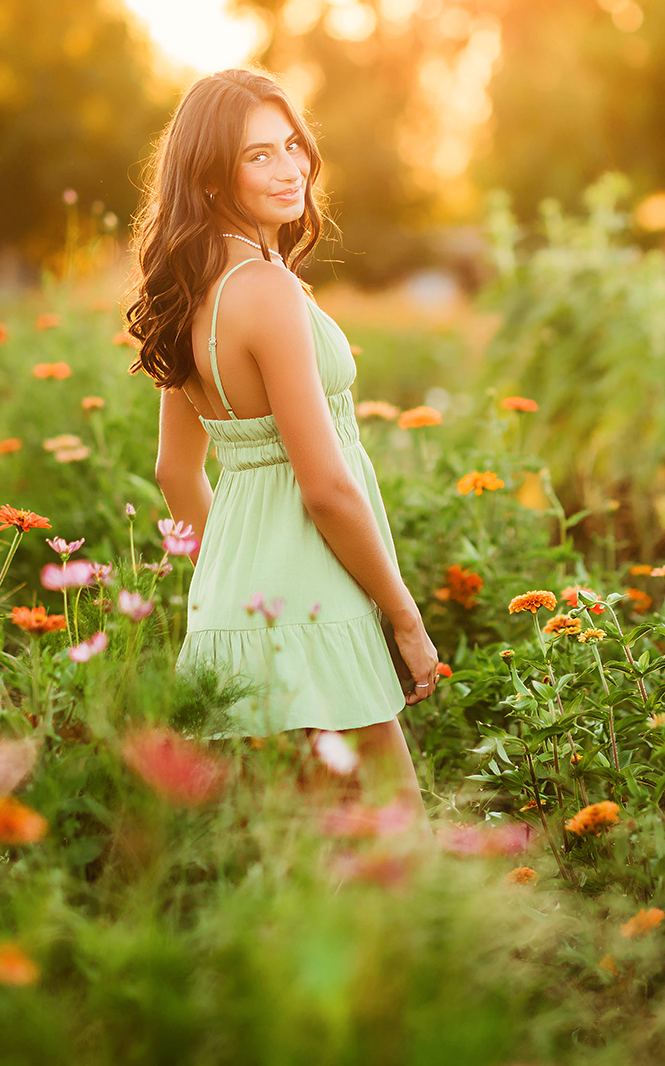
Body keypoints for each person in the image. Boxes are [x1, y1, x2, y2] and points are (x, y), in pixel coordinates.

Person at [123, 67, 440, 803]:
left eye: (291, 144)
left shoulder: (193, 288)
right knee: (395, 857)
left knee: (285, 871)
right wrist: (406, 617)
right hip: (314, 604)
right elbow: (325, 486)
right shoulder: (265, 290)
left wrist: (243, 578)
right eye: (256, 155)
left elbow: (176, 472)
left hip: (233, 610)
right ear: (209, 177)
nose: (289, 168)